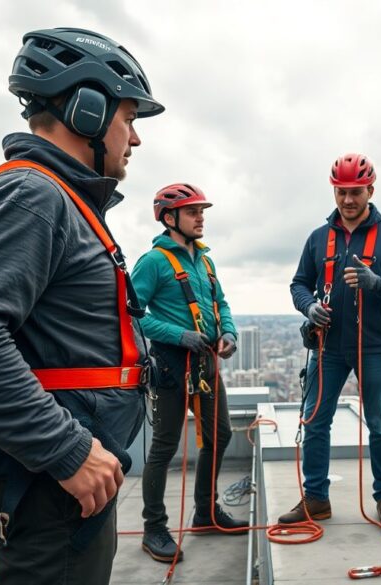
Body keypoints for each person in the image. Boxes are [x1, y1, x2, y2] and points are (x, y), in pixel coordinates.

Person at [0, 28, 164, 584]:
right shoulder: (32, 196)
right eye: (130, 117)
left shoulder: (58, 199)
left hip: (56, 482)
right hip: (50, 486)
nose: (136, 138)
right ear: (87, 110)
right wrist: (68, 451)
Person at [278, 153, 381, 535]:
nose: (347, 200)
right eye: (341, 192)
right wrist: (309, 307)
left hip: (373, 347)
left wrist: (378, 282)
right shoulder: (318, 238)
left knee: (379, 425)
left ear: (370, 191)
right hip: (327, 347)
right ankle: (316, 498)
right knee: (314, 422)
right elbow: (299, 284)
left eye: (355, 192)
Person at [132, 183, 248, 563]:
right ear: (170, 218)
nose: (201, 218)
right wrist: (178, 334)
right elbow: (131, 315)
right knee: (164, 446)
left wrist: (227, 331)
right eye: (193, 211)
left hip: (206, 362)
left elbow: (220, 301)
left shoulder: (205, 260)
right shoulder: (153, 262)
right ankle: (154, 527)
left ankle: (206, 511)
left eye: (202, 211)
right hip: (171, 362)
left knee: (220, 433)